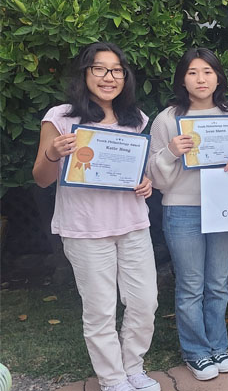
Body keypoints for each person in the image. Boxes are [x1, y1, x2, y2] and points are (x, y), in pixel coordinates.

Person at [32, 42, 159, 391]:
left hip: (133, 223)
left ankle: (133, 367)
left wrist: (145, 182)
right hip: (85, 227)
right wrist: (53, 153)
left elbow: (136, 171)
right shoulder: (60, 118)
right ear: (84, 74)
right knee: (100, 310)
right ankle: (113, 379)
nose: (109, 77)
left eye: (117, 70)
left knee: (145, 302)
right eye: (99, 69)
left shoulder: (136, 119)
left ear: (125, 76)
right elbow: (41, 178)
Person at [146, 48, 228, 381]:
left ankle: (218, 346)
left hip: (223, 208)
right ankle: (196, 352)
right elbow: (157, 180)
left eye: (207, 72)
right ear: (182, 79)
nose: (201, 79)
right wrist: (171, 152)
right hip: (182, 209)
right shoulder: (167, 119)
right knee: (191, 286)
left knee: (217, 284)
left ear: (218, 77)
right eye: (192, 72)